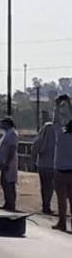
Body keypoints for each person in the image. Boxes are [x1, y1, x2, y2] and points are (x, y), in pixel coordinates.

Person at [52, 95, 72, 231]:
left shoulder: (60, 135)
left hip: (61, 171)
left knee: (61, 200)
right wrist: (69, 103)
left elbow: (56, 121)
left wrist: (58, 106)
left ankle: (62, 222)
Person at [31, 110, 56, 214]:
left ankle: (46, 205)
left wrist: (33, 159)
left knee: (45, 185)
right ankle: (46, 205)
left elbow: (36, 145)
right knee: (48, 186)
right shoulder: (53, 128)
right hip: (50, 163)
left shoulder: (47, 128)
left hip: (45, 162)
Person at [0, 116, 19, 211]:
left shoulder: (12, 133)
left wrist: (7, 162)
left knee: (9, 183)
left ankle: (11, 203)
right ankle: (7, 202)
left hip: (9, 162)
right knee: (4, 182)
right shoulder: (7, 133)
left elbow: (12, 149)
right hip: (4, 161)